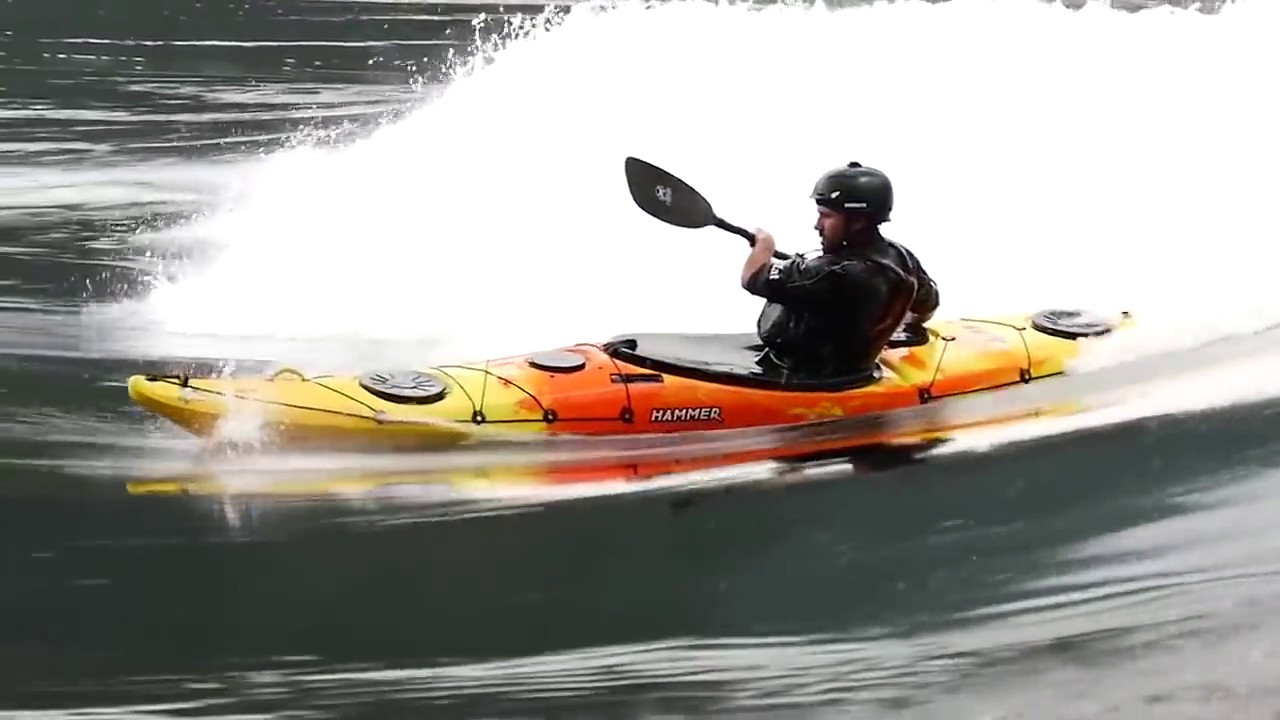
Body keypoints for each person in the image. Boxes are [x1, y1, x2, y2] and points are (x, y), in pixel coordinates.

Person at [740, 161, 940, 381]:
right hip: (857, 370)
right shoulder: (900, 256)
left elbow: (753, 277)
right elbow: (926, 304)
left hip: (803, 377)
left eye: (826, 215)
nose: (817, 225)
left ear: (857, 221)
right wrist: (902, 331)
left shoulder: (832, 273)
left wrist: (763, 247)